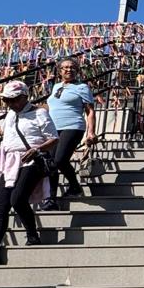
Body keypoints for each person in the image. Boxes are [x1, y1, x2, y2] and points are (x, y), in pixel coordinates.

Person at [0, 81, 57, 252]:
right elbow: (4, 131)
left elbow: (53, 138)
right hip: (10, 162)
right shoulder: (10, 115)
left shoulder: (39, 113)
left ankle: (32, 234)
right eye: (6, 100)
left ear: (24, 97)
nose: (10, 103)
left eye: (13, 99)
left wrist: (37, 149)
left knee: (18, 199)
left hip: (32, 160)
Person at [44, 57, 96, 208]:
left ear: (77, 70)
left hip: (73, 126)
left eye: (72, 67)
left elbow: (90, 111)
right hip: (53, 128)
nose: (69, 70)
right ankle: (51, 198)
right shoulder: (56, 87)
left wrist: (91, 132)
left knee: (59, 160)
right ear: (59, 71)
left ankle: (74, 186)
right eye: (65, 67)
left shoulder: (82, 87)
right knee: (50, 163)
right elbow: (51, 106)